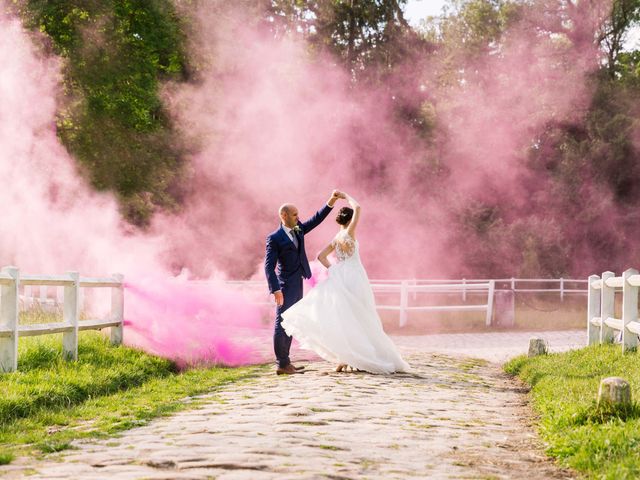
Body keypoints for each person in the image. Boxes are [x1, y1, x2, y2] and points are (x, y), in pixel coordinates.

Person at [281, 194, 410, 374]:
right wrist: (345, 196)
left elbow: (320, 257)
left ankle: (345, 358)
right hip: (355, 276)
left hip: (340, 274)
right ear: (350, 221)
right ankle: (357, 357)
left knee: (345, 318)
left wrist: (334, 269)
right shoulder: (349, 232)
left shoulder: (336, 237)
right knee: (361, 316)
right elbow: (358, 208)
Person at [264, 190, 345, 375]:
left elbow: (316, 219)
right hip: (284, 286)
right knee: (281, 322)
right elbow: (269, 267)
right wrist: (276, 289)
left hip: (297, 282)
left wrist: (331, 201)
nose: (298, 217)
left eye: (298, 214)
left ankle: (287, 362)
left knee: (292, 321)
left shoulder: (298, 229)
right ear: (283, 216)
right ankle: (281, 364)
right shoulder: (274, 238)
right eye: (294, 214)